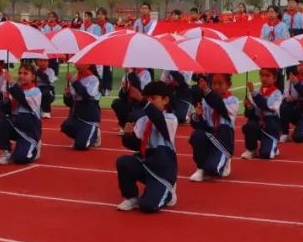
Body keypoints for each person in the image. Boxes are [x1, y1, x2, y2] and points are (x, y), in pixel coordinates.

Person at [115, 81, 179, 212]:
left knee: (147, 206)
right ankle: (131, 197)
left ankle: (168, 190)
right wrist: (128, 134)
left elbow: (158, 120)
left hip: (163, 169)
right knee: (123, 162)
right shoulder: (143, 120)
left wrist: (142, 101)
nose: (150, 101)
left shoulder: (170, 119)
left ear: (165, 100)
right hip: (147, 164)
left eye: (153, 98)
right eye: (147, 98)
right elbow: (136, 145)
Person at [189, 73, 239, 181]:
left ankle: (225, 159)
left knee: (212, 170)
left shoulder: (232, 100)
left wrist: (207, 91)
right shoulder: (206, 100)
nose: (216, 87)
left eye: (220, 84)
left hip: (223, 138)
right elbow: (198, 123)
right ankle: (200, 168)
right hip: (210, 134)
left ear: (228, 85)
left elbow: (219, 105)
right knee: (197, 135)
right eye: (213, 84)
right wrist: (197, 115)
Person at [0, 63, 43, 165]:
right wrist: (6, 100)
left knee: (20, 159)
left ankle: (34, 145)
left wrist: (11, 83)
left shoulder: (35, 91)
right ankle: (6, 151)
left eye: (25, 73)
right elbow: (6, 111)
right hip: (16, 126)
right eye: (20, 73)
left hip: (28, 131)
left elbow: (24, 101)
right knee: (0, 124)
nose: (21, 76)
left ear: (33, 77)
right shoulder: (16, 89)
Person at [241, 68, 283, 159]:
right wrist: (249, 107)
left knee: (266, 155)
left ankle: (273, 144)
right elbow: (249, 115)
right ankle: (251, 149)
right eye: (262, 75)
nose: (264, 78)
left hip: (270, 127)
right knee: (250, 125)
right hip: (258, 124)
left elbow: (266, 105)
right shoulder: (256, 92)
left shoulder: (277, 93)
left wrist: (254, 93)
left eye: (267, 76)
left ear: (274, 78)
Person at [61, 62, 102, 150]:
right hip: (76, 116)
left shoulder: (94, 79)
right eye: (76, 63)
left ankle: (94, 133)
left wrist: (74, 82)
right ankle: (83, 136)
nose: (77, 65)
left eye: (80, 63)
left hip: (89, 119)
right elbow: (70, 103)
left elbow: (86, 95)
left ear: (88, 64)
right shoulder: (75, 77)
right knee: (65, 126)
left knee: (81, 146)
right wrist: (67, 95)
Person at [279, 62, 303, 143]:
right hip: (296, 111)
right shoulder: (290, 80)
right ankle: (285, 133)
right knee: (283, 106)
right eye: (299, 65)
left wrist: (297, 84)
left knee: (298, 138)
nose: (301, 67)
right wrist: (287, 98)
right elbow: (285, 95)